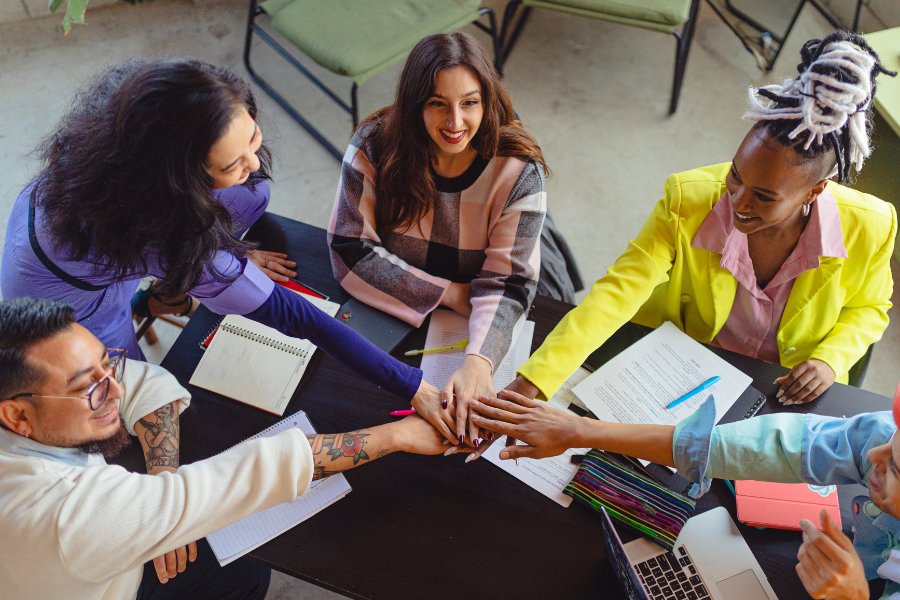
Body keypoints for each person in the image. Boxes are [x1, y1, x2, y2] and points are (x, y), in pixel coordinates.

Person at [0, 58, 452, 441]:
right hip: (71, 307)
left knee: (252, 193)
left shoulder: (128, 118)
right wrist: (415, 387)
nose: (253, 162)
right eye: (231, 162)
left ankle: (162, 292)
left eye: (251, 138)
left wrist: (221, 260)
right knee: (126, 402)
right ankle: (149, 302)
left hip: (77, 231)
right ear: (178, 183)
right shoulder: (164, 232)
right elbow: (294, 315)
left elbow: (235, 191)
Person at [498, 32, 896, 418]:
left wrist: (831, 359)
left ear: (815, 192)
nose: (737, 202)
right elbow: (617, 293)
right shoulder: (687, 199)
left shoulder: (871, 227)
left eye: (764, 196)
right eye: (736, 175)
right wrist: (536, 379)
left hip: (784, 395)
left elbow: (870, 307)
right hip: (685, 371)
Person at [0, 297, 453, 600]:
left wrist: (161, 478)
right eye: (89, 389)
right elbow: (246, 474)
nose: (114, 391)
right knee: (245, 575)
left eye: (108, 363)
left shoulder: (26, 411)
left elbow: (147, 381)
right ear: (15, 415)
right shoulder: (65, 514)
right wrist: (399, 436)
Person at [328, 32, 581, 447]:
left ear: (487, 100)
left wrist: (479, 364)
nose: (455, 122)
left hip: (501, 279)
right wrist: (450, 294)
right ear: (414, 105)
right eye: (436, 104)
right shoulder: (374, 146)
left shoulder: (519, 169)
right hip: (427, 298)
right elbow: (349, 252)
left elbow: (509, 284)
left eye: (470, 102)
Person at [466, 383, 900, 600]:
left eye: (895, 466)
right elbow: (770, 447)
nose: (874, 455)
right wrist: (579, 430)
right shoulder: (885, 438)